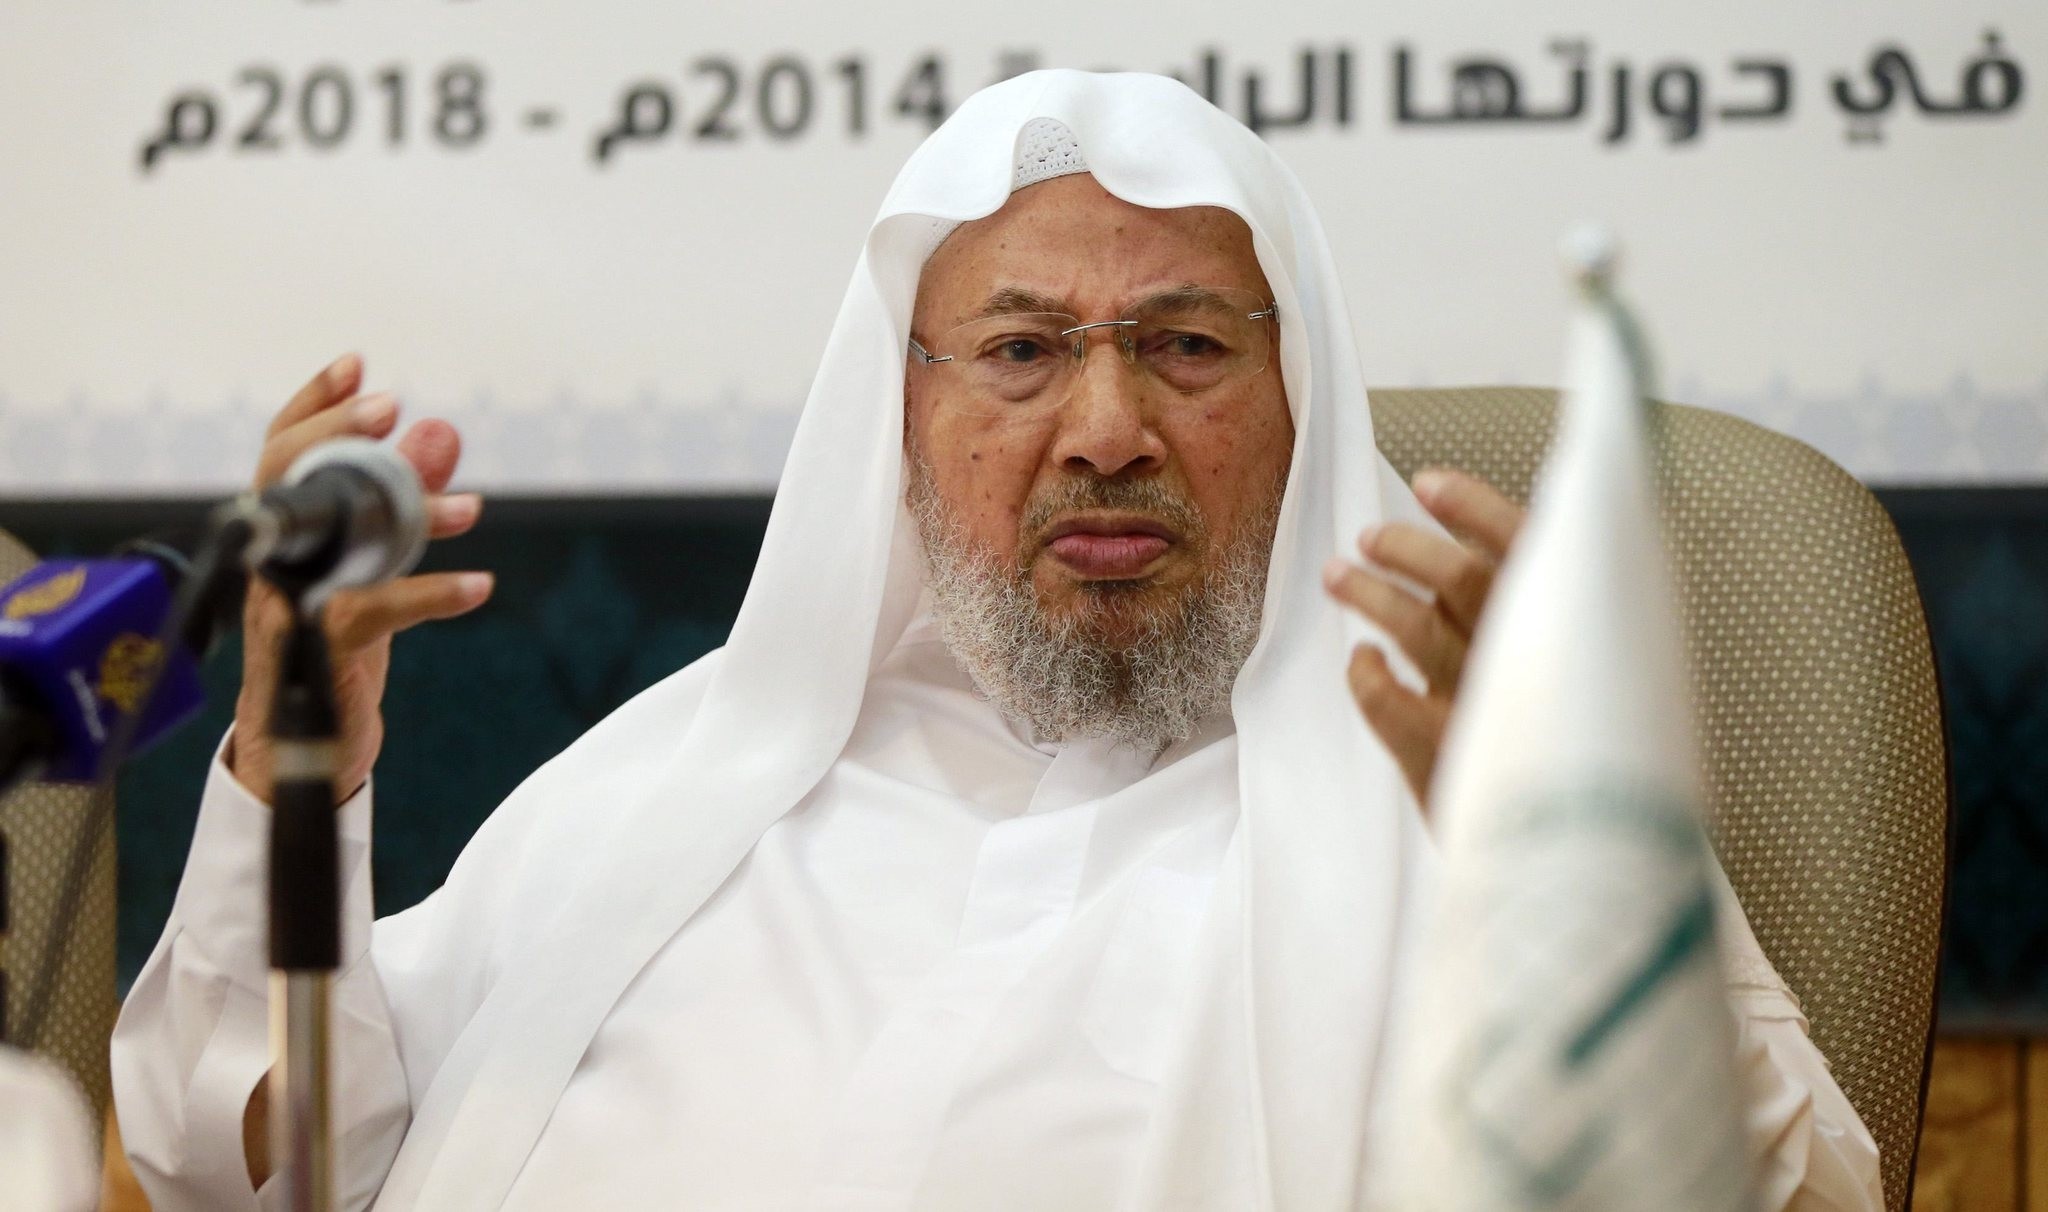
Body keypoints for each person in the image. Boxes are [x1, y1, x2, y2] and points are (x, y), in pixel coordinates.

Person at [111, 70, 1882, 1211]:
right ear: (897, 418)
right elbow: (247, 1156)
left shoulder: (1451, 820)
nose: (1104, 427)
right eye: (1022, 351)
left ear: (1297, 404)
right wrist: (290, 780)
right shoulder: (676, 789)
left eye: (1186, 348)